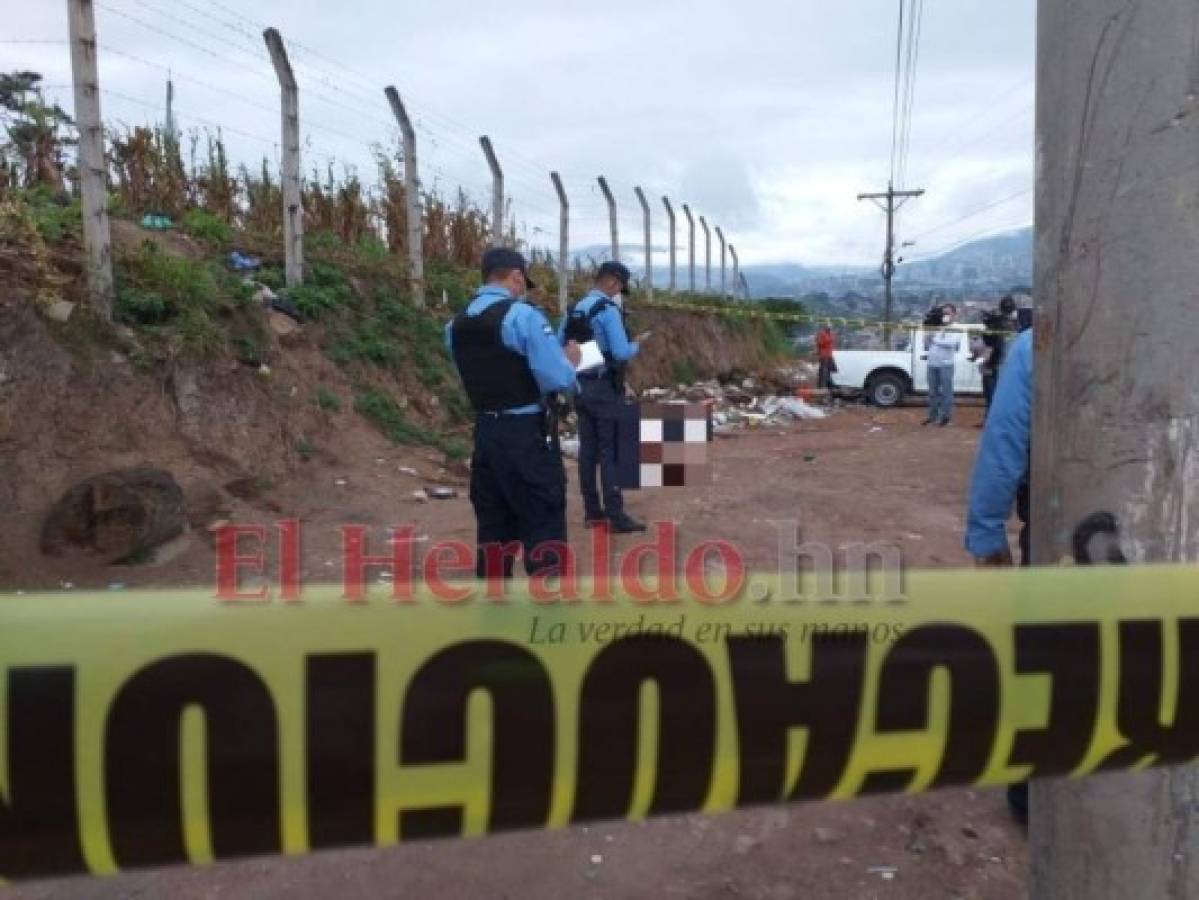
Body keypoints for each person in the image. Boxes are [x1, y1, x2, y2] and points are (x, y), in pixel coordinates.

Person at [445, 247, 582, 579]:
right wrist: (571, 363)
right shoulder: (523, 317)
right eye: (523, 281)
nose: (523, 288)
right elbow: (555, 377)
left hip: (486, 434)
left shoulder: (455, 325)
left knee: (493, 528)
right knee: (543, 523)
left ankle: (495, 613)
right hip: (525, 435)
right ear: (516, 276)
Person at [965, 326, 1033, 824]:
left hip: (1072, 534)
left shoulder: (1043, 342)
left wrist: (987, 534)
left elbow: (1006, 436)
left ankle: (1032, 794)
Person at [559, 261, 649, 533]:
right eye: (620, 287)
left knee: (588, 452)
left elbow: (559, 347)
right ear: (612, 282)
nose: (619, 292)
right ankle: (616, 515)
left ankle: (592, 512)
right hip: (604, 387)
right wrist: (638, 344)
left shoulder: (573, 309)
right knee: (611, 451)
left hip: (580, 386)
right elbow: (620, 352)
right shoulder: (608, 311)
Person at [978, 295, 1019, 419]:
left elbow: (996, 345)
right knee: (995, 393)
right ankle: (992, 418)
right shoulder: (1009, 324)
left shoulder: (1010, 324)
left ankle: (996, 419)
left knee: (997, 394)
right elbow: (990, 342)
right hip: (1001, 363)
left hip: (1002, 364)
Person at [923, 303, 961, 427]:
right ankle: (932, 416)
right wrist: (929, 333)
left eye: (948, 313)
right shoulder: (937, 326)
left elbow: (951, 343)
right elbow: (927, 343)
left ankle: (946, 417)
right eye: (943, 313)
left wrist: (935, 340)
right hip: (932, 363)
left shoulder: (956, 328)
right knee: (932, 392)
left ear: (954, 314)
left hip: (946, 364)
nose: (945, 316)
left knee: (946, 392)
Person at [815, 324, 837, 397]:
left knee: (830, 371)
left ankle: (829, 385)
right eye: (829, 328)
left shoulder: (830, 334)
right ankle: (822, 386)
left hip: (829, 355)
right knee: (823, 372)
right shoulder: (821, 334)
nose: (830, 329)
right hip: (824, 356)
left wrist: (831, 338)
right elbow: (820, 343)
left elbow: (832, 341)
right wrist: (829, 339)